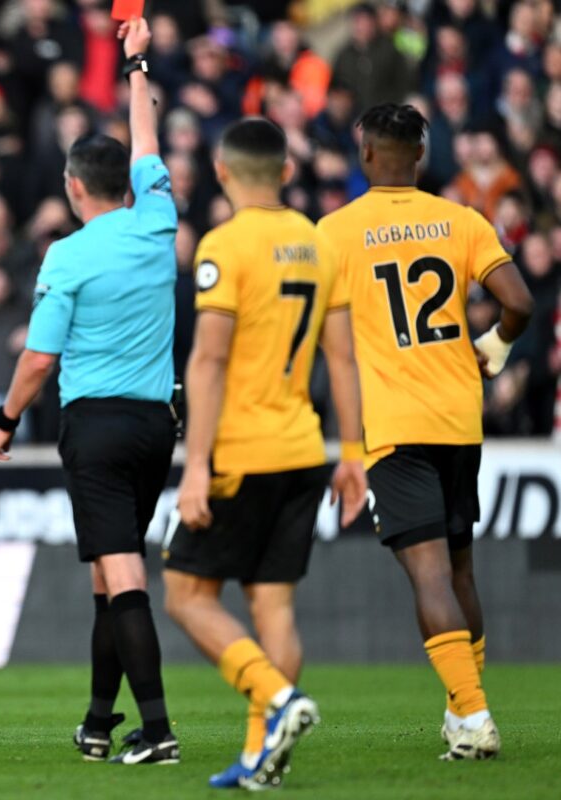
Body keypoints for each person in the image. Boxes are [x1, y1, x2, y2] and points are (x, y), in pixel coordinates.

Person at [0, 16, 181, 766]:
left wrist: (4, 420)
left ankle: (158, 730)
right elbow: (150, 143)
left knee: (122, 570)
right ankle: (100, 722)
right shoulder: (157, 220)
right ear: (126, 184)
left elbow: (38, 360)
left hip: (95, 426)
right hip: (157, 425)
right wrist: (137, 67)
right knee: (110, 572)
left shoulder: (66, 257)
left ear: (72, 189)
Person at [317, 103, 535, 761]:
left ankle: (472, 717)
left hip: (395, 424)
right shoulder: (462, 219)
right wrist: (493, 347)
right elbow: (520, 303)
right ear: (420, 155)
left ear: (365, 156)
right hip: (459, 419)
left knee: (429, 575)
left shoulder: (336, 231)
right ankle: (460, 712)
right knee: (460, 569)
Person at [163, 118, 367, 790]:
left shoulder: (224, 246)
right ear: (284, 171)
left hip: (241, 453)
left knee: (187, 595)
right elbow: (342, 354)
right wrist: (354, 450)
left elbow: (210, 357)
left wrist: (195, 465)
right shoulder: (317, 242)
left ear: (221, 173)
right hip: (305, 448)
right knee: (273, 605)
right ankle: (262, 756)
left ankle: (278, 700)